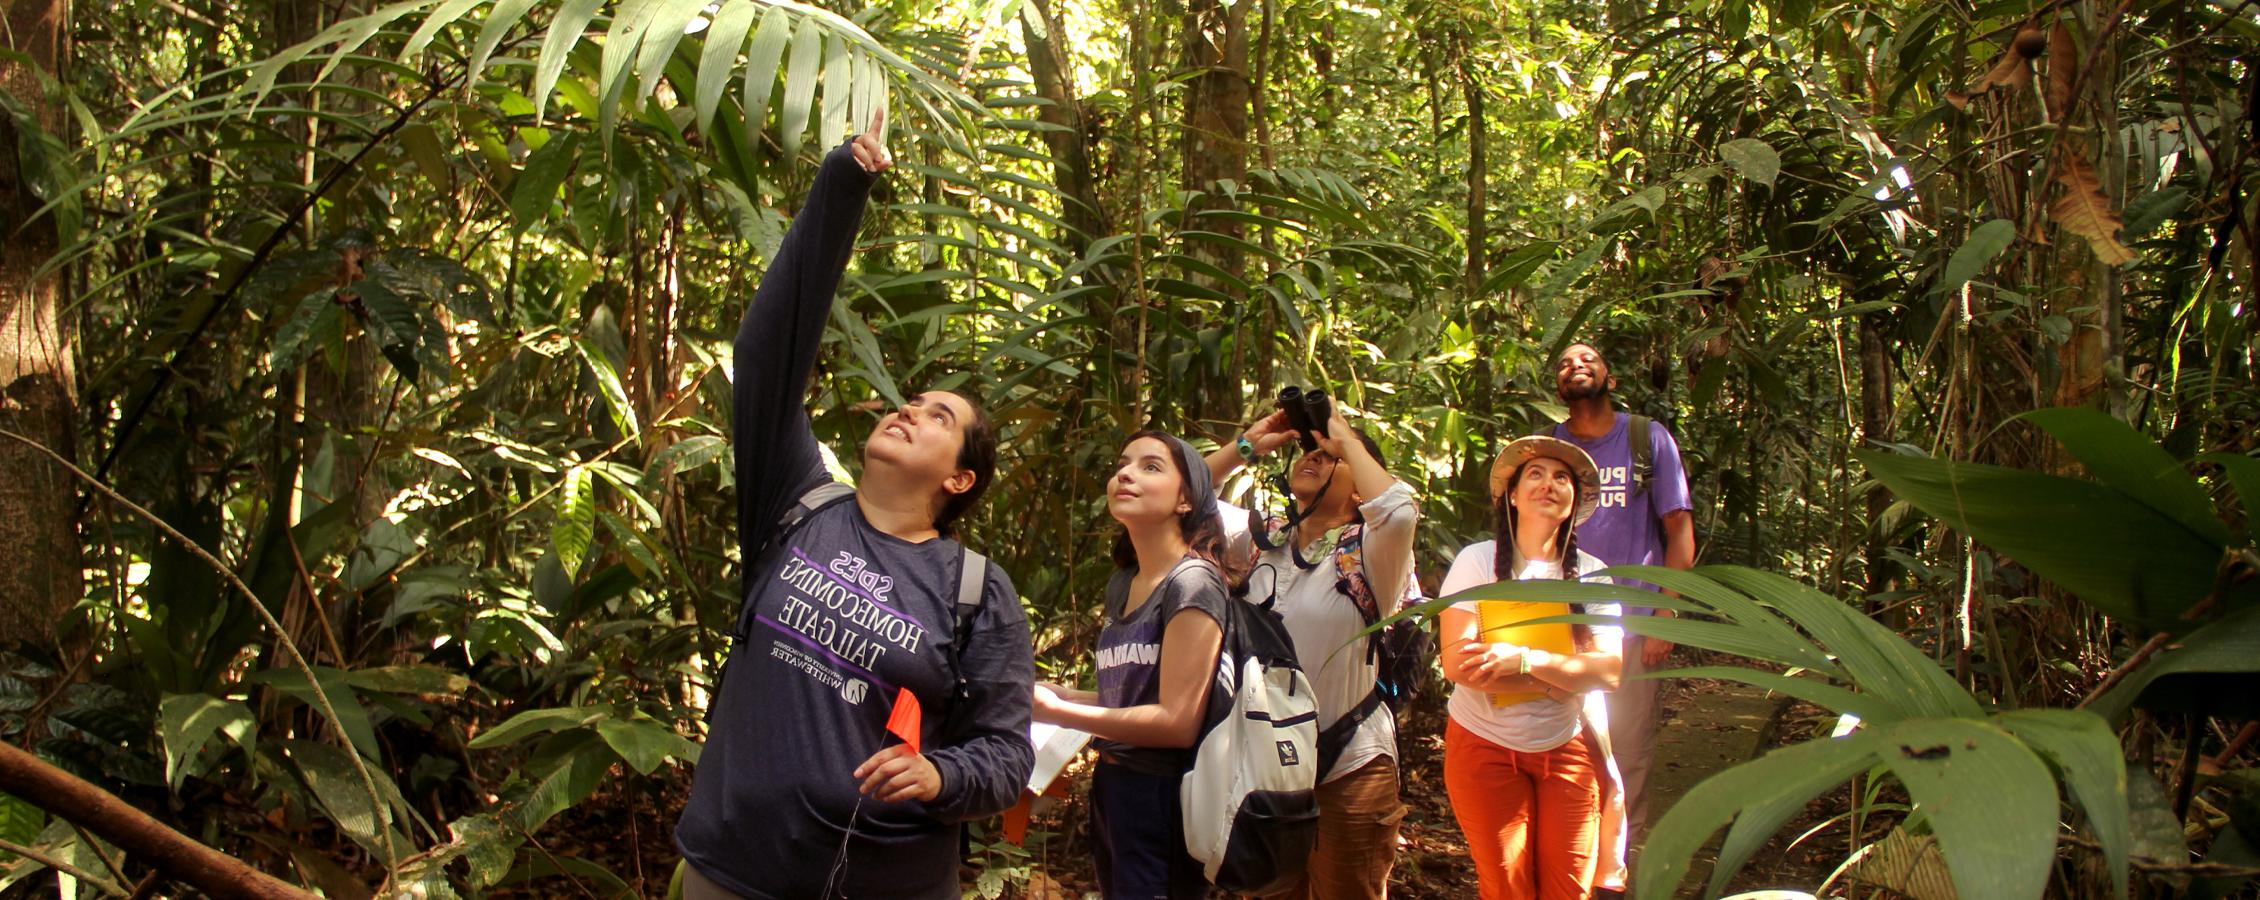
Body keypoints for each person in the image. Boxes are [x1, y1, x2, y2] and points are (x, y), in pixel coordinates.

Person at [673, 113, 1037, 900]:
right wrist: (843, 185)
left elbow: (1008, 757)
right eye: (912, 401)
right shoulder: (797, 500)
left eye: (940, 417)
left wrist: (938, 774)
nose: (909, 411)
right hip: (730, 870)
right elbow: (767, 354)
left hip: (884, 882)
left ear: (960, 480)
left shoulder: (976, 592)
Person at [1202, 406, 1415, 900]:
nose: (1314, 458)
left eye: (1329, 457)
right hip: (1266, 762)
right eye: (1309, 451)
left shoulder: (1372, 551)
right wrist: (1249, 444)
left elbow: (1400, 509)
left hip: (1351, 759)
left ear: (1360, 486)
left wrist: (1344, 436)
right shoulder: (1260, 540)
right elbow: (1181, 496)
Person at [1032, 431, 1233, 900]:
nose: (1124, 473)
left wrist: (1054, 711)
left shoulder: (1194, 584)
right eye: (1123, 463)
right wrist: (1056, 695)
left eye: (1150, 466)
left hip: (1164, 796)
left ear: (1186, 500)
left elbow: (1177, 722)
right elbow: (1132, 697)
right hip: (1116, 783)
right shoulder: (1124, 583)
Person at [1438, 436, 1628, 900]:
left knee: (1570, 890)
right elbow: (1458, 664)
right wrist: (1559, 679)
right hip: (1483, 744)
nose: (1549, 484)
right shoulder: (1478, 561)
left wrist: (1524, 661)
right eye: (1536, 475)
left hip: (1566, 746)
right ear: (1513, 495)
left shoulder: (1592, 572)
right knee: (1506, 888)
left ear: (1573, 502)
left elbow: (1608, 672)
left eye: (1561, 477)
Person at [1549, 341, 1696, 850]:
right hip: (1565, 629)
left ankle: (1619, 870)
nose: (1576, 366)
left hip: (1634, 624)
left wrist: (1665, 614)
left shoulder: (1645, 438)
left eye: (1588, 359)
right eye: (1565, 363)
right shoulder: (1552, 450)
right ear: (1559, 387)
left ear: (1609, 379)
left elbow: (1678, 530)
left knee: (1628, 754)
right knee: (1566, 752)